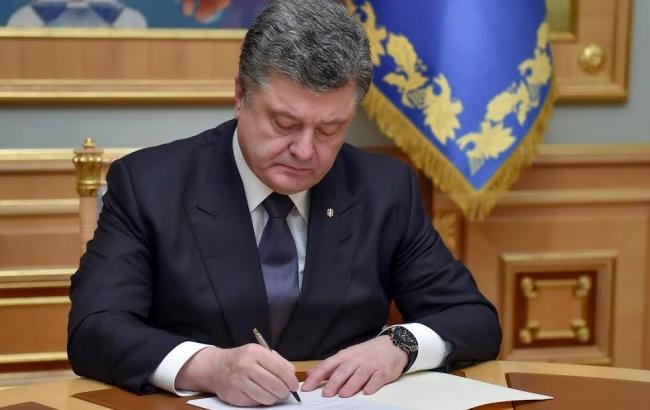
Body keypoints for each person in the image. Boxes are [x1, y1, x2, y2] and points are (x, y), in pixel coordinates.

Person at [67, 0, 501, 407]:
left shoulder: (384, 189)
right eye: (284, 123)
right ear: (241, 96)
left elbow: (472, 318)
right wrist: (207, 366)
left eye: (330, 130)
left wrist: (399, 345)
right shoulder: (151, 185)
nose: (305, 151)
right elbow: (94, 329)